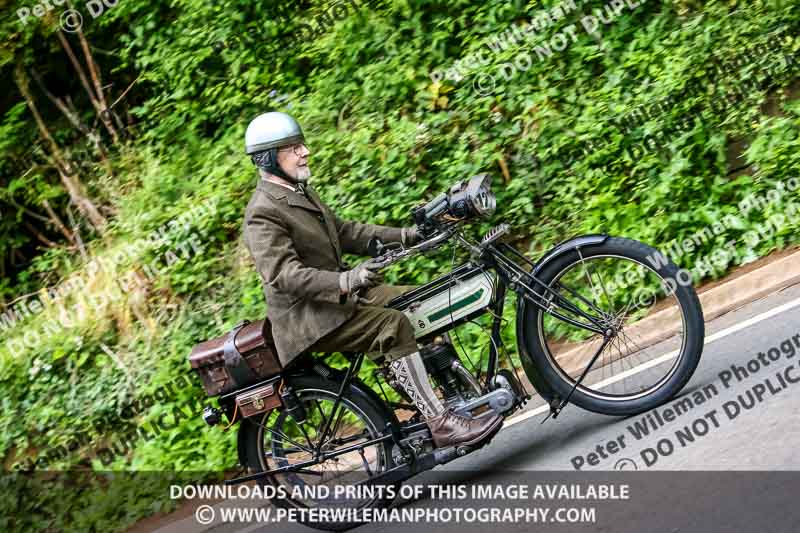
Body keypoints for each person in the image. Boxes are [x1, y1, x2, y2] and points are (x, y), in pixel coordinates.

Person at [241, 111, 501, 448]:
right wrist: (347, 280)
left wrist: (409, 235)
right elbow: (283, 275)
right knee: (391, 326)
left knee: (423, 302)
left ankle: (452, 393)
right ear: (268, 158)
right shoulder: (263, 211)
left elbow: (347, 232)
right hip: (310, 318)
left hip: (339, 301)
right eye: (292, 148)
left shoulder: (299, 190)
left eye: (301, 144)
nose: (304, 151)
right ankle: (440, 422)